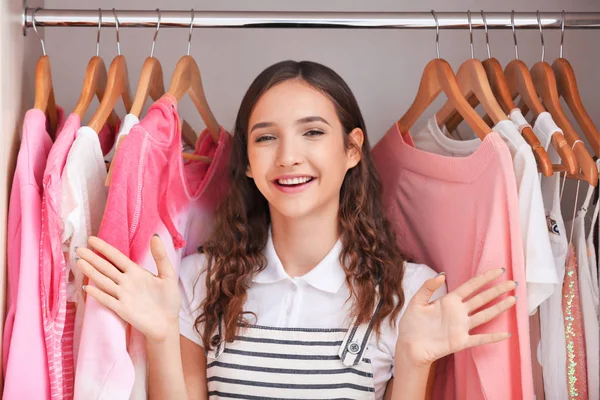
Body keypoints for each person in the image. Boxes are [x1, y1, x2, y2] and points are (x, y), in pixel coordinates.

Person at [74, 60, 517, 400]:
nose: (288, 156)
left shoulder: (408, 294)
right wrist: (161, 334)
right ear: (247, 162)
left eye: (312, 133)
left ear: (352, 150)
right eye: (266, 138)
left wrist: (414, 361)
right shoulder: (198, 280)